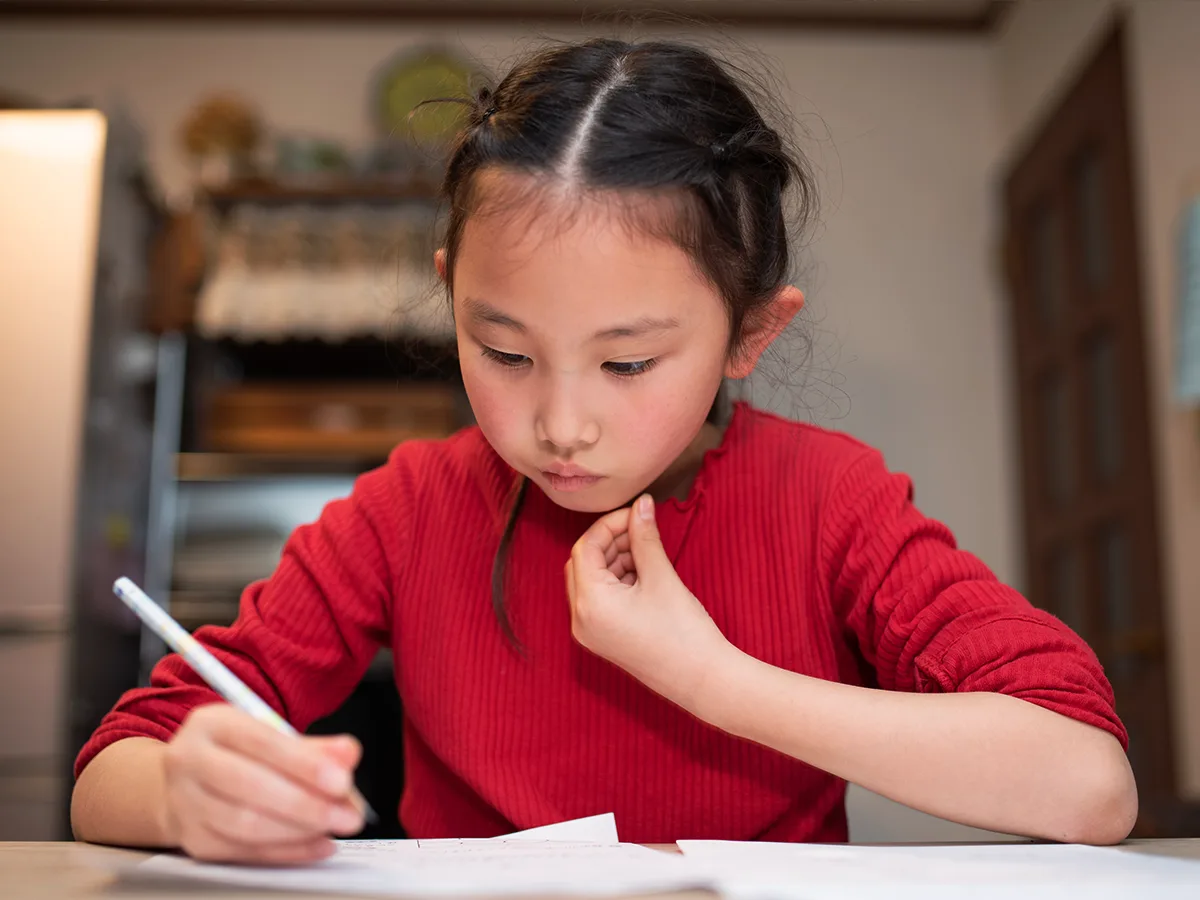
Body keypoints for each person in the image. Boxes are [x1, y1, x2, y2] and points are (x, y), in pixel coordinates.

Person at [70, 38, 1137, 864]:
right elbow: (108, 771)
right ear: (452, 297)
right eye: (502, 350)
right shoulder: (410, 510)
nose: (560, 425)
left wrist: (707, 677)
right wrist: (181, 792)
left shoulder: (827, 500)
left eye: (627, 365)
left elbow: (1088, 783)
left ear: (750, 335)